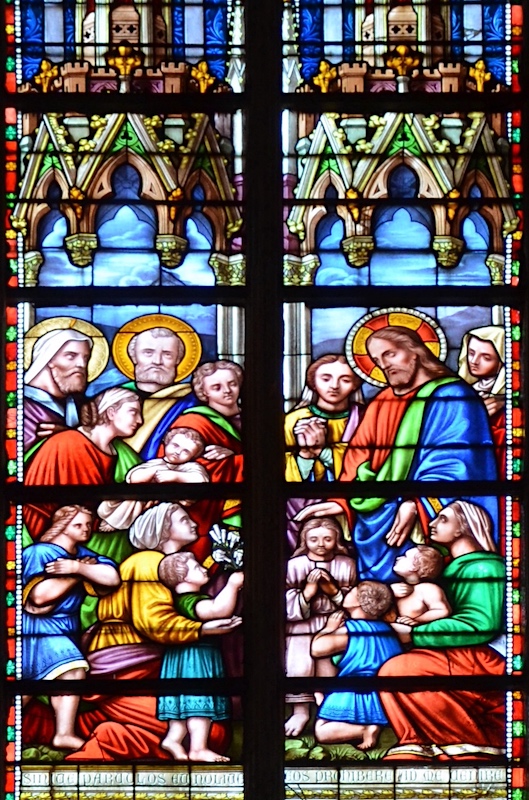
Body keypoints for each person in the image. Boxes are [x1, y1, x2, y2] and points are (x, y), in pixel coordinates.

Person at [295, 324, 499, 582]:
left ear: (415, 352)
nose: (383, 365)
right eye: (377, 360)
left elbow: (459, 463)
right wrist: (340, 501)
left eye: (389, 354)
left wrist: (416, 502)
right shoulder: (383, 401)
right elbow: (358, 457)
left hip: (431, 515)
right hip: (375, 515)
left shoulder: (453, 396)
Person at [61, 503, 239, 762]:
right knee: (208, 735)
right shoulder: (148, 563)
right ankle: (107, 738)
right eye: (182, 519)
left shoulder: (169, 564)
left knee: (209, 728)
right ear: (163, 530)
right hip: (125, 670)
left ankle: (104, 727)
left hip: (150, 667)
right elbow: (155, 623)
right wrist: (201, 630)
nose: (193, 523)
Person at [379, 500, 506, 760]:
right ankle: (417, 744)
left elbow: (479, 624)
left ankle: (467, 744)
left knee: (399, 670)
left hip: (477, 657)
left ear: (464, 528)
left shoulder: (484, 567)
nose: (433, 524)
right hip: (450, 652)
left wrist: (415, 634)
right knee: (389, 666)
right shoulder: (448, 568)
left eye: (443, 519)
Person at [22, 506, 120, 750]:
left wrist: (77, 568)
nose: (86, 529)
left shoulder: (84, 555)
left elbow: (112, 578)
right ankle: (63, 733)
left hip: (67, 627)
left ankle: (64, 733)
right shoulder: (40, 552)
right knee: (71, 669)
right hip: (38, 629)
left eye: (89, 524)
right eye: (79, 525)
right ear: (62, 525)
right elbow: (39, 597)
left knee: (32, 686)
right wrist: (78, 574)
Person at [156, 553, 243, 761]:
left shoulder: (182, 598)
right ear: (183, 578)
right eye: (197, 568)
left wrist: (214, 557)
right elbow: (216, 611)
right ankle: (198, 748)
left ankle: (173, 738)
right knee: (198, 701)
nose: (203, 569)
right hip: (195, 658)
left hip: (180, 658)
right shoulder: (189, 601)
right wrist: (232, 585)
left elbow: (207, 569)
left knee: (182, 703)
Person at [24, 388, 143, 539]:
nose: (140, 420)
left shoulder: (117, 451)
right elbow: (89, 506)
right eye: (133, 412)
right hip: (56, 536)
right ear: (111, 412)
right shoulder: (72, 443)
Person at [285, 517, 356, 736]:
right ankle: (300, 712)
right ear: (304, 540)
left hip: (334, 620)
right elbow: (285, 599)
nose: (321, 544)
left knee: (329, 669)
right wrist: (308, 591)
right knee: (299, 666)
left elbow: (353, 598)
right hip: (301, 624)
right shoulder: (295, 565)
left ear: (337, 540)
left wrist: (333, 590)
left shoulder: (346, 564)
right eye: (314, 539)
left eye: (327, 538)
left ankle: (328, 712)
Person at [311, 582, 403, 751]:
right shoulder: (387, 630)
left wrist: (328, 629)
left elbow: (317, 649)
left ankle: (363, 730)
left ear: (359, 602)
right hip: (384, 696)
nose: (347, 592)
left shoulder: (353, 629)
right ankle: (371, 725)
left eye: (352, 590)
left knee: (322, 731)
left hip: (353, 691)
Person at [119, 325, 197, 458]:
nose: (157, 361)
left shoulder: (192, 402)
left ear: (178, 360)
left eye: (167, 354)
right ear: (133, 356)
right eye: (148, 353)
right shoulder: (113, 399)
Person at [285, 354, 364, 482]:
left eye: (345, 380)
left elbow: (373, 467)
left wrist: (323, 452)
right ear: (313, 383)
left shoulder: (366, 419)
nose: (334, 386)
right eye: (326, 379)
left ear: (355, 384)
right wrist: (305, 455)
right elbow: (278, 473)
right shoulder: (292, 421)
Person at [167, 360, 244, 483]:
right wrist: (232, 460)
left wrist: (233, 456)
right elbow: (175, 463)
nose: (227, 390)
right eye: (217, 387)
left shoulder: (256, 418)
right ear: (204, 391)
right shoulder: (192, 422)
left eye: (232, 384)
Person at [24, 328, 93, 451]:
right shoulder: (19, 405)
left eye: (86, 358)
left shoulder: (83, 406)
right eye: (71, 356)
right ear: (48, 358)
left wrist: (67, 437)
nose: (82, 364)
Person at [458, 325, 505, 474]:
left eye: (486, 357)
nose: (474, 361)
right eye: (471, 353)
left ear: (501, 362)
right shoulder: (460, 393)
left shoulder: (506, 401)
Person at [391, 546, 451, 626]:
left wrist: (416, 620)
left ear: (414, 567)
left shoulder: (427, 589)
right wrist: (390, 591)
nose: (399, 558)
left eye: (405, 557)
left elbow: (443, 610)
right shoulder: (396, 587)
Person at [126, 427, 209, 484]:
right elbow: (133, 478)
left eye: (186, 451)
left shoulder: (191, 467)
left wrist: (175, 476)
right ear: (167, 442)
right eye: (175, 445)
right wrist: (155, 470)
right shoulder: (155, 463)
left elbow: (202, 480)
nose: (178, 452)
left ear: (193, 456)